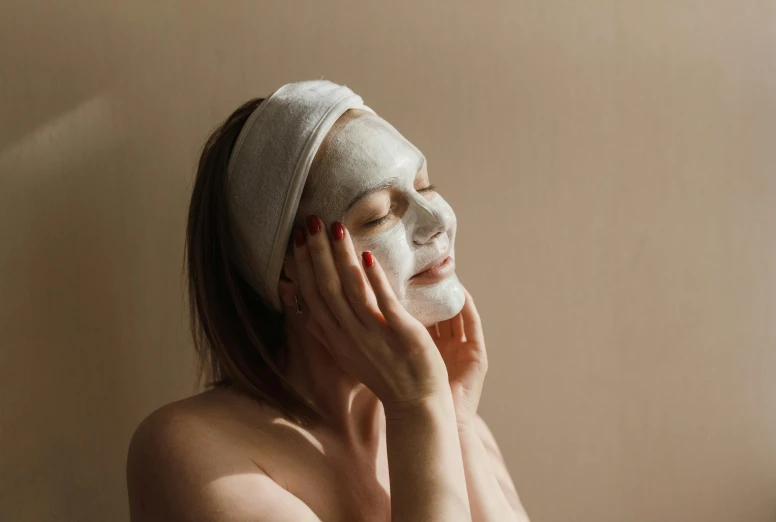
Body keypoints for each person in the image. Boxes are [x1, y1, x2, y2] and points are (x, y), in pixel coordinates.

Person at [126, 80, 529, 522]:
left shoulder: (453, 418)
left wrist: (452, 421)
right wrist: (416, 410)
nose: (436, 220)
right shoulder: (190, 449)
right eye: (379, 214)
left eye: (425, 186)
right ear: (291, 270)